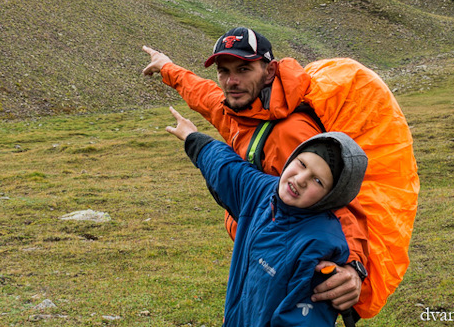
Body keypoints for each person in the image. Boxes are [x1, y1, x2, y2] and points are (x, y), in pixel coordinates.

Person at [142, 27, 369, 311]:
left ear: (270, 71)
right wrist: (167, 68)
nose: (231, 81)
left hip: (283, 263)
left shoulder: (289, 133)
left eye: (244, 69)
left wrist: (353, 267)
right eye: (223, 71)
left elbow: (339, 203)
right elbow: (205, 95)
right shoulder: (242, 111)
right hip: (256, 248)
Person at [165, 106, 368, 327]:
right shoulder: (263, 190)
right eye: (301, 164)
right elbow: (224, 165)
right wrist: (191, 136)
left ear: (330, 197)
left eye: (318, 181)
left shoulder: (318, 244)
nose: (300, 179)